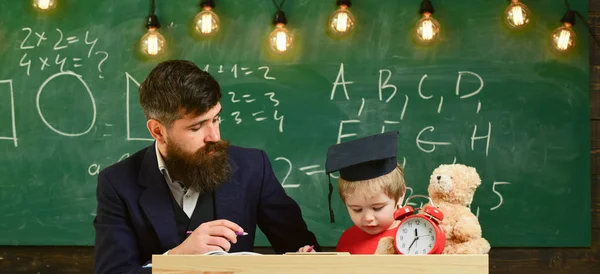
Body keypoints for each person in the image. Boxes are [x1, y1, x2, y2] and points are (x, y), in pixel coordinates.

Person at [93, 60, 320, 273]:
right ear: (158, 131)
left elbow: (302, 247)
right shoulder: (117, 184)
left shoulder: (253, 168)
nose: (214, 136)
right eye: (197, 127)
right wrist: (177, 258)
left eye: (215, 119)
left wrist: (306, 258)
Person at [326, 131, 407, 254]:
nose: (368, 218)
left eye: (377, 208)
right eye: (357, 210)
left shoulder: (416, 233)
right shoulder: (347, 240)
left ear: (400, 195)